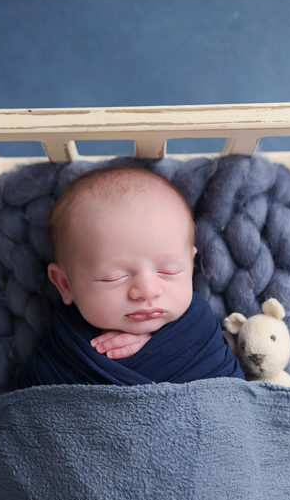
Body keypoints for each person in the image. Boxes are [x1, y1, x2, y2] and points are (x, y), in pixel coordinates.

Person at [15, 164, 244, 387]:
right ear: (65, 285)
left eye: (169, 271)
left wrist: (156, 349)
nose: (147, 291)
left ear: (191, 265)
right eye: (113, 277)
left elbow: (232, 397)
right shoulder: (61, 354)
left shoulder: (200, 332)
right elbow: (30, 411)